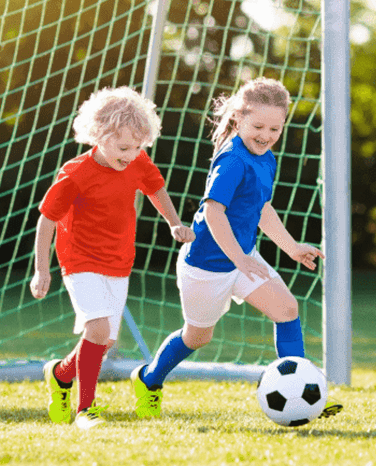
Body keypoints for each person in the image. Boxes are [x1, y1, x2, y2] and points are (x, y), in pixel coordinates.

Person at [129, 77, 343, 420]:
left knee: (287, 309)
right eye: (258, 125)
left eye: (275, 128)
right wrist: (239, 259)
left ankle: (305, 395)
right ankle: (149, 379)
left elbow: (262, 208)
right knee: (197, 337)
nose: (266, 134)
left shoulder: (266, 157)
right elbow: (214, 212)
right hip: (207, 266)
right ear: (239, 119)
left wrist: (290, 247)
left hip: (243, 259)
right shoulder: (232, 159)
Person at [29, 86, 195, 429]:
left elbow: (154, 187)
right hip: (79, 260)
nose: (132, 154)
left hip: (119, 262)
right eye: (123, 147)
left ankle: (60, 375)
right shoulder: (75, 175)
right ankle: (85, 410)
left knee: (104, 340)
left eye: (138, 147)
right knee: (98, 327)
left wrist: (175, 222)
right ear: (99, 135)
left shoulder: (137, 161)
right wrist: (41, 271)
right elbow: (46, 219)